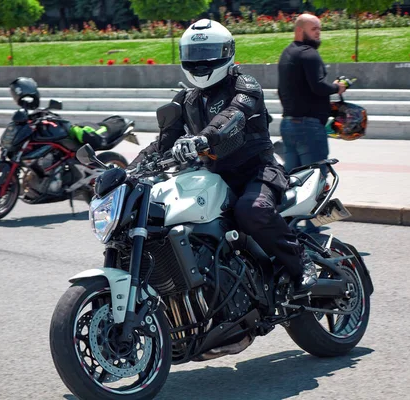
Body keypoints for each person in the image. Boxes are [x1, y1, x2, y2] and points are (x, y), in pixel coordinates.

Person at [128, 18, 317, 293]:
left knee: (251, 210)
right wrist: (129, 170)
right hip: (213, 177)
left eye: (208, 54)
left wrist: (204, 138)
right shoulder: (186, 100)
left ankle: (302, 264)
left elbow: (233, 117)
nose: (200, 63)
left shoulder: (245, 84)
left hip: (258, 172)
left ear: (227, 52)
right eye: (194, 55)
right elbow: (163, 143)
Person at [277, 13, 347, 175]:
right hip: (308, 128)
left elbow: (282, 90)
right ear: (300, 30)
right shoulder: (309, 53)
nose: (318, 33)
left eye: (319, 29)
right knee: (315, 179)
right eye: (314, 29)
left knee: (292, 179)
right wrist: (337, 87)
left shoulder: (286, 54)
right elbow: (319, 86)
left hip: (288, 124)